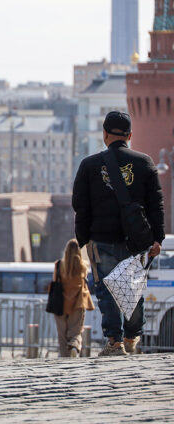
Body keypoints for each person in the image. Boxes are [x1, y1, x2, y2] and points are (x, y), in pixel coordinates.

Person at [72, 111, 164, 357]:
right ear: (130, 136)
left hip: (101, 239)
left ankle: (114, 342)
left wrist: (84, 239)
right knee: (132, 289)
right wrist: (158, 239)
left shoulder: (89, 165)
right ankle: (132, 337)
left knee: (107, 291)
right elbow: (156, 205)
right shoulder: (145, 163)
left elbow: (80, 205)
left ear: (104, 134)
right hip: (137, 241)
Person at [50, 239, 95, 357]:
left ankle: (64, 355)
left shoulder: (58, 265)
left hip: (61, 303)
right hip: (77, 302)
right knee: (76, 331)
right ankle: (74, 346)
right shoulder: (83, 266)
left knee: (62, 333)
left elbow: (54, 281)